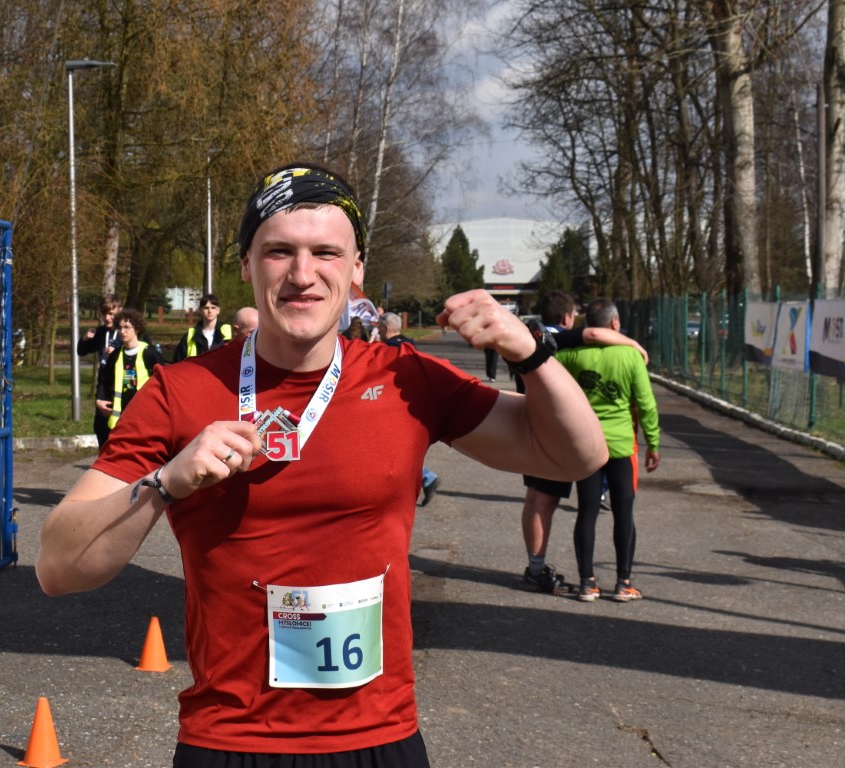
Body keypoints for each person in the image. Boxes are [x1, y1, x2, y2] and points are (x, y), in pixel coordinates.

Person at [36, 163, 606, 767]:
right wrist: (165, 483)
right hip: (231, 740)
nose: (302, 274)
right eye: (279, 251)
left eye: (326, 252)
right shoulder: (180, 391)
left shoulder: (406, 378)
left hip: (378, 737)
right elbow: (56, 568)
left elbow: (577, 454)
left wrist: (532, 354)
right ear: (247, 265)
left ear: (357, 268)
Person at [516, 290, 650, 594]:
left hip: (531, 422)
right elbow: (593, 333)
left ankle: (544, 569)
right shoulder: (559, 342)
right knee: (547, 501)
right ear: (566, 317)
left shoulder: (532, 336)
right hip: (557, 433)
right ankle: (538, 572)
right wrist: (633, 344)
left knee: (535, 498)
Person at [556, 298, 660, 602]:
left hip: (586, 445)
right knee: (623, 511)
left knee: (587, 511)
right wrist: (653, 443)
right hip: (621, 446)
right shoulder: (630, 356)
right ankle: (623, 582)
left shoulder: (570, 355)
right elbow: (646, 404)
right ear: (615, 323)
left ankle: (587, 582)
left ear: (588, 325)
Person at [378, 311, 439, 506]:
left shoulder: (388, 349)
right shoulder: (410, 345)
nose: (378, 331)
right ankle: (426, 477)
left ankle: (425, 477)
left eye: (379, 327)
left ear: (386, 328)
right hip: (410, 402)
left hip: (391, 404)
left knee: (388, 447)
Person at [94, 308, 165, 432]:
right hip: (120, 422)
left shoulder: (149, 353)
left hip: (145, 419)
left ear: (136, 329)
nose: (122, 331)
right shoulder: (115, 355)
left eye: (126, 327)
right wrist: (100, 399)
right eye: (120, 327)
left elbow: (165, 380)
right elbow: (105, 380)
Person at [78, 294, 122, 446]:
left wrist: (117, 351)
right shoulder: (100, 332)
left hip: (122, 387)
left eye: (111, 313)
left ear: (120, 310)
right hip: (103, 386)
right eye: (104, 314)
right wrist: (85, 339)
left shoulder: (126, 331)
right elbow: (81, 351)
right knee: (101, 428)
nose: (107, 318)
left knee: (120, 429)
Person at [172, 293, 231, 361]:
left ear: (218, 310)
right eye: (206, 308)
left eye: (213, 308)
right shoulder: (190, 336)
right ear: (200, 310)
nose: (210, 311)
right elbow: (178, 362)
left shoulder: (230, 333)